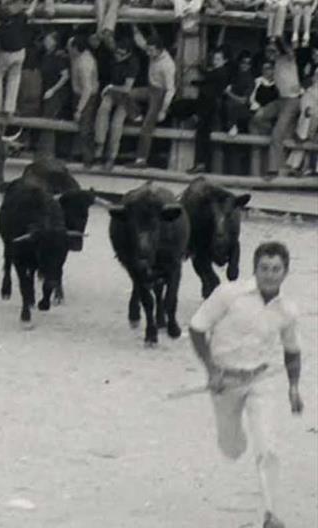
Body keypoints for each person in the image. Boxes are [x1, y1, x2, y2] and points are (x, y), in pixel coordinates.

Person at [189, 241, 302, 528]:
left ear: (285, 272)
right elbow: (197, 327)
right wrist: (211, 370)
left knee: (268, 447)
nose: (270, 275)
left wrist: (293, 388)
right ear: (256, 269)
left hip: (260, 380)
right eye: (264, 268)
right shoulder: (228, 294)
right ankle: (234, 438)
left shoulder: (288, 310)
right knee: (232, 447)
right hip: (225, 381)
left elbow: (292, 350)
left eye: (276, 269)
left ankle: (271, 514)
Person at [171, 47, 232, 174]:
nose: (215, 61)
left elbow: (208, 76)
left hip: (209, 107)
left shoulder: (221, 72)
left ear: (225, 60)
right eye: (214, 59)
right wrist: (197, 82)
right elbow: (207, 80)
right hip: (203, 104)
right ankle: (201, 163)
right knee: (181, 109)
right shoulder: (217, 72)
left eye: (218, 59)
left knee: (202, 134)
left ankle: (201, 163)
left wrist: (199, 68)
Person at [126, 26, 176, 169]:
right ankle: (136, 116)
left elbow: (171, 89)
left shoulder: (168, 65)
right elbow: (140, 42)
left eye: (151, 51)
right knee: (127, 94)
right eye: (148, 50)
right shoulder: (151, 51)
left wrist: (163, 110)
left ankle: (141, 160)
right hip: (150, 88)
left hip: (160, 93)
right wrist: (134, 27)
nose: (148, 53)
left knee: (147, 127)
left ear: (159, 50)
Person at [252, 39, 302, 178]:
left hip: (292, 100)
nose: (270, 54)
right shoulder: (277, 64)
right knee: (259, 116)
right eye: (269, 51)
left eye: (273, 51)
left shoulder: (288, 59)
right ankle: (275, 137)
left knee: (276, 135)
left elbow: (286, 48)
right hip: (281, 100)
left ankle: (273, 170)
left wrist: (277, 36)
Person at [94, 38, 140, 170]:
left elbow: (127, 88)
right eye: (116, 53)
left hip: (126, 96)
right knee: (102, 110)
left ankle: (111, 157)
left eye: (121, 54)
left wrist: (110, 87)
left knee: (116, 123)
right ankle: (99, 147)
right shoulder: (113, 58)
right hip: (113, 91)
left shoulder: (133, 63)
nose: (117, 56)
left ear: (128, 54)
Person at [0, 0, 37, 114]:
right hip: (21, 53)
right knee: (14, 79)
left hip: (7, 53)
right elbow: (30, 11)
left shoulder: (1, 28)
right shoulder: (18, 19)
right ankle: (9, 108)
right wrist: (35, 2)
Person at [37, 29, 70, 158]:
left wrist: (53, 90)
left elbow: (65, 76)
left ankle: (47, 153)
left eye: (49, 39)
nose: (46, 41)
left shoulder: (58, 57)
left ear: (55, 42)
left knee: (49, 120)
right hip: (46, 90)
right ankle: (44, 151)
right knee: (45, 118)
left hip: (55, 92)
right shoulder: (45, 55)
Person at [68, 33, 100, 167]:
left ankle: (89, 158)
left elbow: (87, 89)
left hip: (87, 97)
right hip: (79, 93)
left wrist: (79, 110)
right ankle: (77, 153)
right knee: (80, 127)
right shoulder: (79, 56)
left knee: (85, 127)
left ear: (76, 48)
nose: (68, 49)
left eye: (70, 47)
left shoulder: (85, 63)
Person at [225, 52, 256, 136]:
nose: (245, 65)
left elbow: (243, 101)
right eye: (243, 62)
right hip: (228, 108)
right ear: (239, 63)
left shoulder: (250, 80)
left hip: (243, 110)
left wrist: (229, 93)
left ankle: (233, 127)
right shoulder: (234, 75)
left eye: (248, 63)